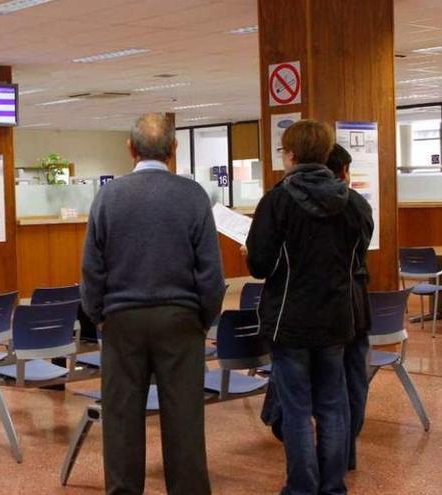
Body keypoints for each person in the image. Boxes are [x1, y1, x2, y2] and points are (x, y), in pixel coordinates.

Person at [81, 113, 225, 495]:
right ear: (174, 149)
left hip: (121, 320)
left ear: (130, 149)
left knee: (122, 418)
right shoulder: (193, 196)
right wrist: (203, 318)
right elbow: (211, 271)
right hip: (180, 319)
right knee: (184, 419)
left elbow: (92, 267)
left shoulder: (108, 196)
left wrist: (99, 315)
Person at [247, 121, 368, 494]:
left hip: (289, 319)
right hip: (336, 319)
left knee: (297, 406)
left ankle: (301, 486)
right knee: (334, 403)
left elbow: (259, 265)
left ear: (293, 154)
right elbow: (357, 257)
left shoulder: (277, 201)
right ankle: (333, 486)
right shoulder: (355, 204)